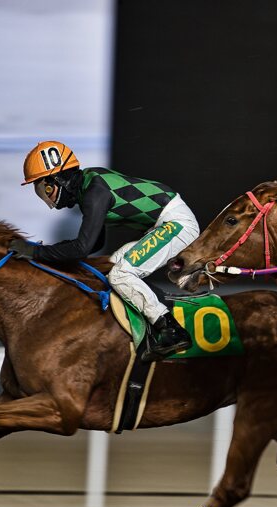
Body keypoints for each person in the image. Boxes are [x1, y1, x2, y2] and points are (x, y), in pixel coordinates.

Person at [11, 141, 196, 359]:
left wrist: (35, 252)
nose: (47, 198)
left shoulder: (94, 192)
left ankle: (172, 330)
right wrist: (42, 251)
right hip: (163, 224)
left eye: (46, 189)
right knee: (112, 265)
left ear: (59, 178)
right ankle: (146, 322)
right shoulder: (88, 187)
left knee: (121, 274)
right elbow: (94, 244)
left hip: (177, 223)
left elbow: (82, 248)